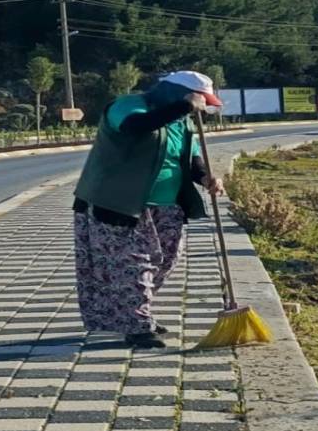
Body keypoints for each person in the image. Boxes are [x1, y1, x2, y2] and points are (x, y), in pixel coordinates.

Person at [71, 70, 226, 348]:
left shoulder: (182, 122)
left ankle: (132, 314)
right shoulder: (129, 106)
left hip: (167, 207)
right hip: (119, 203)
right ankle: (137, 325)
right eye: (199, 100)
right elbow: (135, 126)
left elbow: (190, 159)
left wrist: (205, 177)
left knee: (164, 261)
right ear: (176, 93)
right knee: (133, 265)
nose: (201, 106)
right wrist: (185, 106)